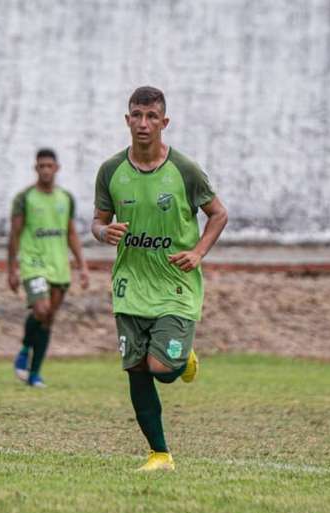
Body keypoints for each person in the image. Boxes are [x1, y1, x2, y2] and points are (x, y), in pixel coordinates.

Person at [92, 86, 228, 471]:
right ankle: (159, 454)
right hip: (130, 285)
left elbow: (218, 214)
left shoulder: (184, 170)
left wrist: (198, 252)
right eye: (137, 115)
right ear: (127, 120)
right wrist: (104, 234)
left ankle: (181, 360)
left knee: (162, 370)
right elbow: (97, 223)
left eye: (152, 117)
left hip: (175, 284)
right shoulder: (110, 171)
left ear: (164, 122)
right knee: (135, 368)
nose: (143, 124)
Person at [8, 148, 90, 387]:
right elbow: (14, 235)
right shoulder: (25, 198)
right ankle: (25, 349)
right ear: (36, 168)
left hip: (59, 266)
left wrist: (82, 266)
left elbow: (71, 233)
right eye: (41, 166)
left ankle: (34, 373)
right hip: (33, 264)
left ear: (56, 168)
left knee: (48, 319)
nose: (45, 170)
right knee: (41, 309)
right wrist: (11, 269)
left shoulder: (66, 198)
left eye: (49, 166)